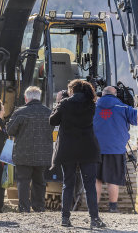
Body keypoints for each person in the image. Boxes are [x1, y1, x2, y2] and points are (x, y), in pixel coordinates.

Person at [49, 79, 106, 229]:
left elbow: (52, 121)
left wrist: (58, 103)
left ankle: (65, 218)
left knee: (68, 184)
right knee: (90, 186)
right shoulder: (91, 104)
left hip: (68, 149)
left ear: (72, 90)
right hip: (87, 148)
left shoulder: (65, 103)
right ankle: (94, 219)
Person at [7, 86, 53, 213]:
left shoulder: (20, 112)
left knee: (23, 181)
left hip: (23, 154)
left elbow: (10, 130)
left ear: (26, 98)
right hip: (43, 154)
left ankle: (24, 208)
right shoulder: (48, 113)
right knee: (39, 181)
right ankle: (39, 207)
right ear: (39, 98)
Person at [93, 86, 137, 212]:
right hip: (115, 149)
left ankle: (94, 206)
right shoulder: (123, 108)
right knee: (113, 179)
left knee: (96, 179)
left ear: (102, 94)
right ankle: (113, 207)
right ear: (116, 94)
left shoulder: (93, 107)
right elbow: (137, 118)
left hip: (95, 149)